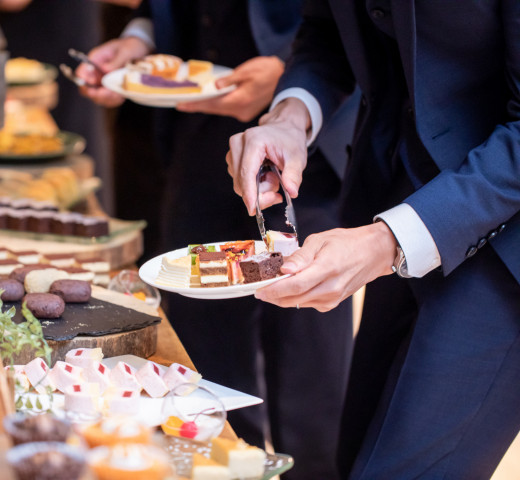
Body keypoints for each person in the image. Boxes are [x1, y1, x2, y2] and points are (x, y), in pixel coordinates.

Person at [226, 1, 520, 478]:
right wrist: (290, 115)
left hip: (507, 248)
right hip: (394, 204)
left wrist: (388, 241)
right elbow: (327, 30)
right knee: (354, 459)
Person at [76, 2, 358, 479]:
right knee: (201, 351)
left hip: (307, 143)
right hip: (201, 136)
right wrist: (143, 38)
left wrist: (291, 85)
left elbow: (341, 25)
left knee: (308, 362)